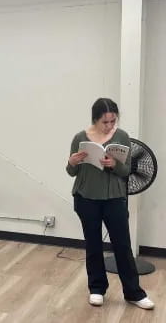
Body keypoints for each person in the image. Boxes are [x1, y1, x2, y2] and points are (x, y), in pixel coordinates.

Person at [66, 97, 154, 309]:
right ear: (95, 120)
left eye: (113, 121)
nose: (110, 126)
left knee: (122, 246)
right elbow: (71, 172)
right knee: (93, 245)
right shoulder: (80, 137)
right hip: (86, 197)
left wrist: (114, 164)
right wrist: (71, 162)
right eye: (105, 122)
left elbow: (126, 171)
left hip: (114, 198)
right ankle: (96, 289)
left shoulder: (122, 137)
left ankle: (134, 293)